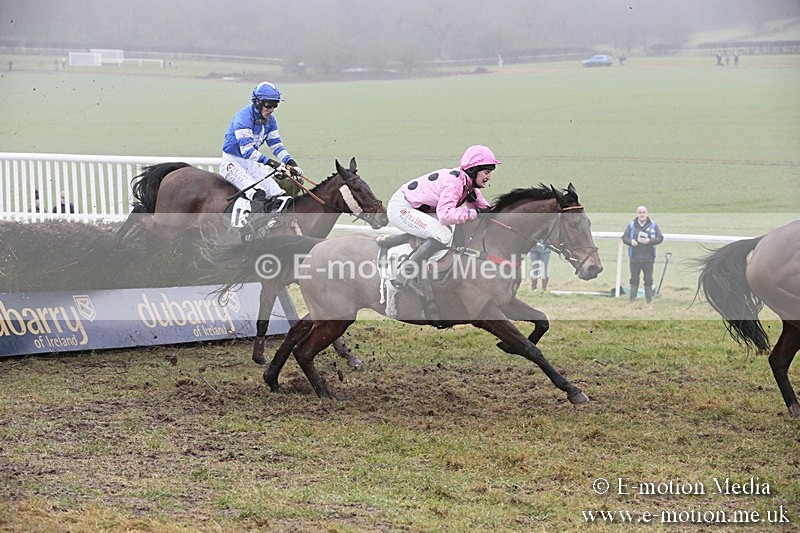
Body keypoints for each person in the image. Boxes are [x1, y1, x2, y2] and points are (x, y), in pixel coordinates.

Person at [387, 144, 500, 296]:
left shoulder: (469, 186)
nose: (489, 177)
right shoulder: (454, 183)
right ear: (473, 170)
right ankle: (405, 275)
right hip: (402, 208)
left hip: (417, 209)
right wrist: (477, 212)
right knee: (443, 234)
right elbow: (446, 216)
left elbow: (486, 210)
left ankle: (398, 240)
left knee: (447, 230)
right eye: (486, 172)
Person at [221, 81, 303, 212]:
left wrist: (290, 162)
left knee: (280, 195)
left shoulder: (271, 120)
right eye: (269, 105)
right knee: (258, 194)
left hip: (250, 163)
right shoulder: (243, 118)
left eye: (275, 105)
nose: (272, 110)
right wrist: (273, 163)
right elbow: (247, 151)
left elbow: (276, 145)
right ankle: (249, 229)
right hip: (233, 163)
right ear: (257, 102)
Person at [621, 205, 663, 303]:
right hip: (634, 257)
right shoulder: (631, 225)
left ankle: (649, 300)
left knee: (648, 279)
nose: (642, 214)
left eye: (643, 212)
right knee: (634, 279)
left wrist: (649, 241)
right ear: (637, 214)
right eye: (640, 212)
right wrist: (631, 242)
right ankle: (632, 300)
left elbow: (660, 238)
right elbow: (624, 238)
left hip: (648, 258)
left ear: (647, 213)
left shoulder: (653, 225)